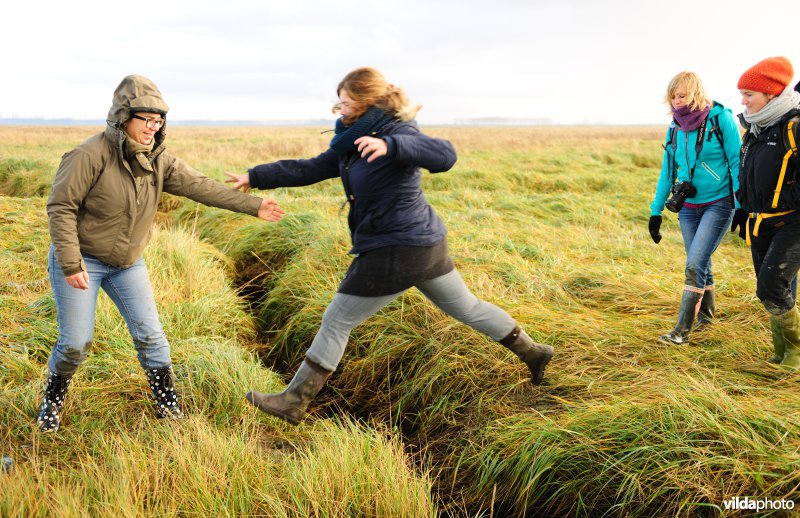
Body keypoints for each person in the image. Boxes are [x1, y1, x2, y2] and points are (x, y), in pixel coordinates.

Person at [226, 67, 554, 425]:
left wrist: (391, 146)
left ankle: (293, 401)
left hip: (396, 248)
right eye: (339, 101)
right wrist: (255, 176)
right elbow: (311, 168)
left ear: (369, 102)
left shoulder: (397, 132)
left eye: (347, 101)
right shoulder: (352, 141)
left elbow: (445, 155)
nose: (340, 108)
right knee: (468, 307)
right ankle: (534, 352)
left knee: (337, 320)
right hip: (423, 245)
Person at [38, 75, 285, 432]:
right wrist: (71, 262)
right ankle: (51, 402)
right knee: (75, 343)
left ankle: (169, 409)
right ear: (124, 118)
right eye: (147, 120)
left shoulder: (159, 160)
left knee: (152, 338)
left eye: (159, 121)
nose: (154, 128)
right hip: (83, 259)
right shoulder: (87, 156)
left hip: (127, 264)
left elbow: (201, 186)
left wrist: (253, 205)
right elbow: (61, 208)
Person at [649, 72, 742, 345]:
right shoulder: (674, 127)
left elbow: (737, 162)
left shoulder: (719, 119)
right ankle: (707, 317)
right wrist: (655, 212)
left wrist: (740, 205)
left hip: (719, 202)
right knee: (700, 261)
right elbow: (668, 172)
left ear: (696, 94)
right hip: (688, 206)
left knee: (694, 263)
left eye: (682, 96)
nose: (677, 102)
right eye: (673, 97)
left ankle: (681, 332)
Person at [735, 56, 800, 367]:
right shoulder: (756, 130)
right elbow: (747, 173)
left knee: (771, 287)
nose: (743, 101)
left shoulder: (794, 127)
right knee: (771, 289)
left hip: (793, 222)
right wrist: (742, 207)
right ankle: (781, 354)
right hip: (759, 221)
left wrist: (789, 200)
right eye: (742, 94)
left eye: (749, 94)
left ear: (771, 93)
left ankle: (795, 358)